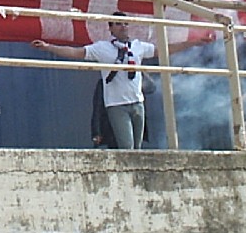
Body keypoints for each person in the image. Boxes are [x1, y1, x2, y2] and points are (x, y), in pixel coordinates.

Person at [32, 12, 157, 150]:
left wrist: (186, 43)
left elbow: (162, 51)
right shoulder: (103, 48)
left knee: (138, 149)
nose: (123, 27)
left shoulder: (138, 46)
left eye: (126, 23)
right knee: (127, 147)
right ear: (110, 28)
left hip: (137, 102)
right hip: (117, 104)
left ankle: (135, 171)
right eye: (118, 23)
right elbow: (75, 52)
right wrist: (48, 46)